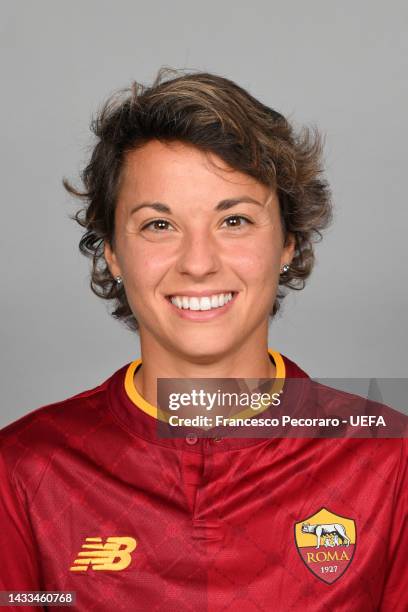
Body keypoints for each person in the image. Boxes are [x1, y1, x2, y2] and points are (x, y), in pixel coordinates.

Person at [0, 68, 406, 612]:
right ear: (113, 252)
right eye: (158, 225)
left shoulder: (387, 461)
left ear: (289, 241)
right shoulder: (25, 471)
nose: (198, 263)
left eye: (234, 221)